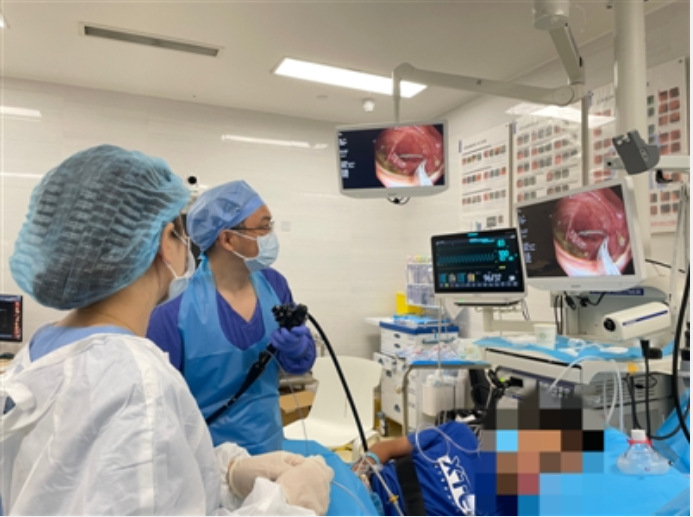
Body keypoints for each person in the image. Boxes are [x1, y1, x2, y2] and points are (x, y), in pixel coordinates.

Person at [0, 145, 332, 515]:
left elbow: (141, 480)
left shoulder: (40, 350)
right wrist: (284, 504)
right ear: (163, 243)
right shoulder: (137, 383)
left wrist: (228, 472)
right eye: (179, 234)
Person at [147, 181, 316, 455]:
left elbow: (297, 366)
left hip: (269, 447)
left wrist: (298, 349)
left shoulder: (275, 286)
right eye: (263, 227)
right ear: (227, 239)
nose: (270, 235)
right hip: (206, 460)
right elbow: (159, 406)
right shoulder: (174, 310)